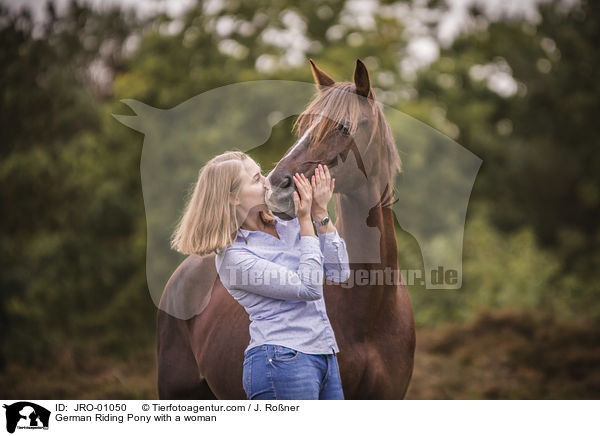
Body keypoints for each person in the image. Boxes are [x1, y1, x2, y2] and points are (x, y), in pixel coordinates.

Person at [170, 151, 350, 400]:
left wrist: (320, 214)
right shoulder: (235, 259)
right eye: (256, 179)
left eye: (262, 174)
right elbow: (308, 288)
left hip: (324, 355)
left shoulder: (288, 224)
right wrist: (307, 220)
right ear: (233, 197)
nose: (267, 182)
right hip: (281, 363)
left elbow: (340, 273)